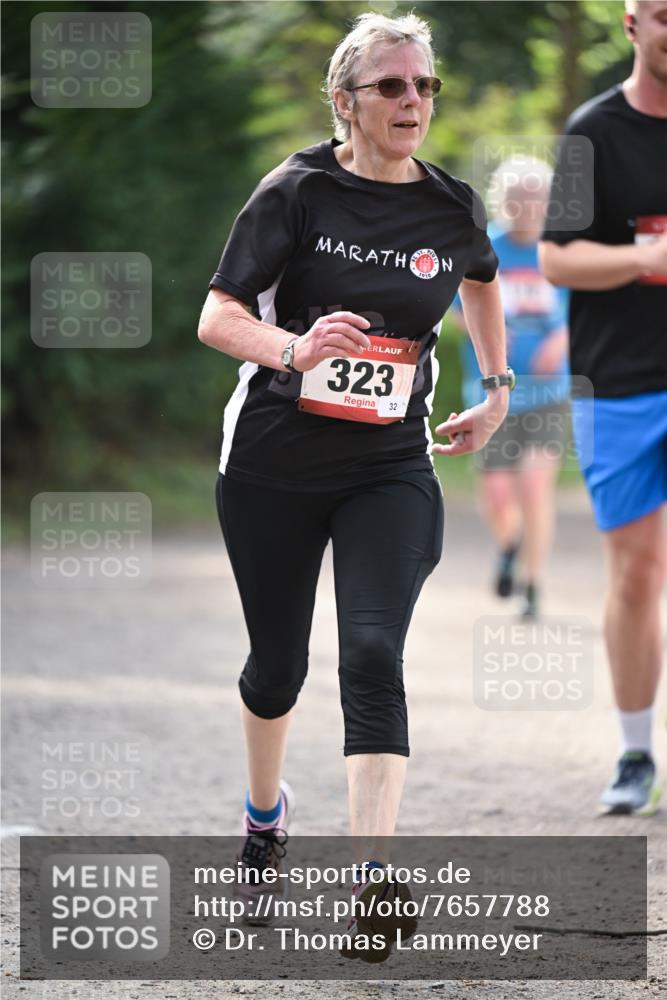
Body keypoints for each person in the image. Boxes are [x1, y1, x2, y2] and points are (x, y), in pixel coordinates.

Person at [198, 12, 510, 961]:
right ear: (345, 100)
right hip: (272, 464)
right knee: (277, 670)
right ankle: (264, 817)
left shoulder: (451, 206)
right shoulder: (296, 189)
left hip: (389, 465)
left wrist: (495, 390)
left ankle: (371, 878)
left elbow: (482, 278)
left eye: (423, 86)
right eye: (391, 87)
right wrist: (293, 347)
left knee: (372, 653)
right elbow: (217, 315)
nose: (412, 101)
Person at [539, 0, 667, 815]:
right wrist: (643, 256)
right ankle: (633, 752)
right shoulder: (592, 130)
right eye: (662, 15)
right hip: (620, 384)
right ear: (631, 27)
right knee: (635, 572)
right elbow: (554, 256)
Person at [452, 156, 569, 619]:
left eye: (535, 197)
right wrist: (489, 332)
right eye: (517, 197)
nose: (526, 206)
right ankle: (509, 545)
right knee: (499, 496)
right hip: (490, 395)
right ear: (504, 200)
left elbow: (583, 309)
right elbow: (456, 305)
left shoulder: (558, 249)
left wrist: (561, 339)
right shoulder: (485, 247)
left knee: (535, 488)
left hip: (548, 393)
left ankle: (533, 584)